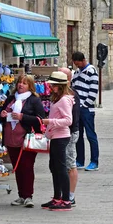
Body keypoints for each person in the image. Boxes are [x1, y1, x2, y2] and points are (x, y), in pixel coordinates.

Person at [0, 74, 46, 207]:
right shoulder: (11, 99)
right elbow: (1, 115)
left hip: (26, 140)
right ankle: (21, 195)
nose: (20, 85)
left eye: (24, 83)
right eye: (19, 82)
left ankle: (28, 196)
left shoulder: (34, 100)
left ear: (30, 86)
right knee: (17, 168)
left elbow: (40, 119)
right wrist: (2, 114)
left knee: (27, 167)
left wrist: (22, 117)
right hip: (11, 139)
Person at [40, 71, 74, 211]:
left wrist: (50, 121)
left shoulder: (65, 99)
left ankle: (66, 200)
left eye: (53, 85)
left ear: (59, 86)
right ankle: (57, 197)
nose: (51, 87)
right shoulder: (58, 99)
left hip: (61, 137)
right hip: (55, 136)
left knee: (60, 168)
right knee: (54, 168)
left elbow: (68, 120)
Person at [71, 51, 100, 171]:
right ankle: (80, 160)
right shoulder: (77, 73)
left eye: (78, 64)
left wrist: (84, 105)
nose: (77, 66)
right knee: (78, 136)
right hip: (77, 109)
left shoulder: (92, 72)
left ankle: (94, 162)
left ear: (83, 60)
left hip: (86, 109)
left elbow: (93, 91)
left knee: (90, 135)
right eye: (76, 64)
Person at [58, 67, 80, 206]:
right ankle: (63, 193)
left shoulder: (72, 95)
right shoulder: (60, 95)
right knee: (62, 164)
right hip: (61, 133)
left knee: (70, 164)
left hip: (69, 133)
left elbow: (73, 118)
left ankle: (70, 195)